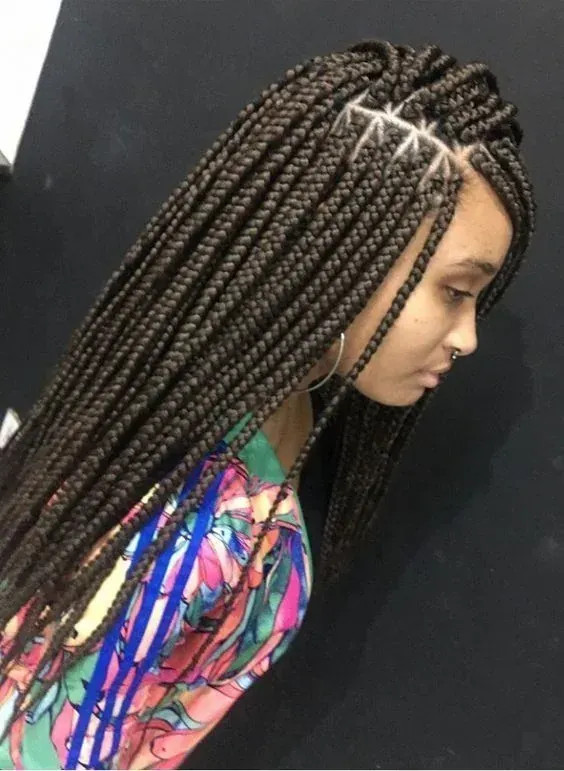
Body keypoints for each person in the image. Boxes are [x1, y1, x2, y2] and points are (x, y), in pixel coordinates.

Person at [0, 38, 535, 770]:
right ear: (346, 244)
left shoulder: (271, 403)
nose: (468, 337)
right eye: (455, 290)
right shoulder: (180, 530)